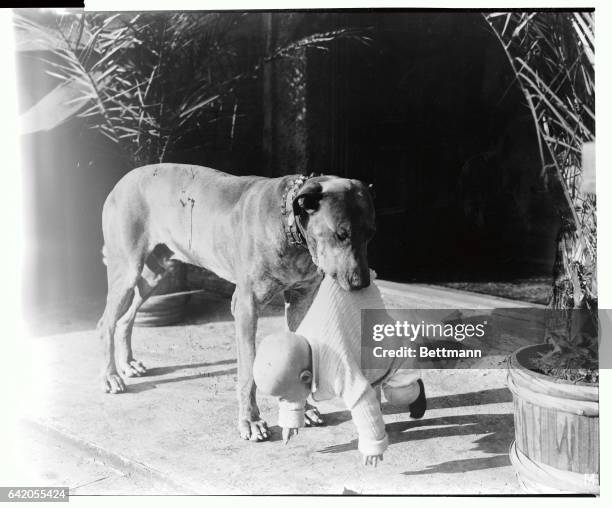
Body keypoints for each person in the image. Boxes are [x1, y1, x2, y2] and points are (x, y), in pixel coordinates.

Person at [253, 270, 425, 466]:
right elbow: (292, 386)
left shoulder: (337, 369)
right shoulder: (299, 348)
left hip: (393, 354)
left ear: (307, 376)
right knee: (369, 386)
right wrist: (291, 417)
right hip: (361, 350)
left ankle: (416, 390)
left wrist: (372, 444)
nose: (283, 401)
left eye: (283, 398)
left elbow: (362, 400)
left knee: (398, 396)